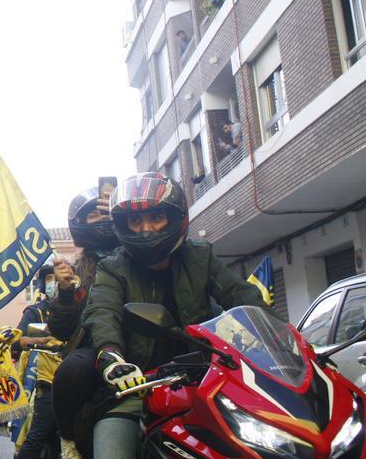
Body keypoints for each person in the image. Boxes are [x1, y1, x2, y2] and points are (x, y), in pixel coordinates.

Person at [82, 172, 269, 458]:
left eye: (156, 218)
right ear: (123, 225)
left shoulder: (200, 257)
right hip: (137, 385)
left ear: (174, 217)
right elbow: (102, 313)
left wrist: (287, 341)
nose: (146, 229)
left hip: (207, 380)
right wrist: (112, 357)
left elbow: (242, 297)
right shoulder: (112, 268)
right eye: (136, 221)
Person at [49, 187, 119, 457]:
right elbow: (61, 329)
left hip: (149, 342)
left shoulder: (140, 255)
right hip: (99, 351)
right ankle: (68, 442)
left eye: (106, 213)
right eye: (94, 216)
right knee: (71, 370)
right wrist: (66, 293)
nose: (102, 219)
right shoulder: (77, 273)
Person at [14, 262, 66, 459]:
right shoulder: (36, 311)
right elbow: (17, 339)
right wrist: (33, 340)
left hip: (74, 379)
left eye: (57, 278)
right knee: (38, 434)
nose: (54, 282)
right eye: (49, 279)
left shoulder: (77, 309)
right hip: (44, 380)